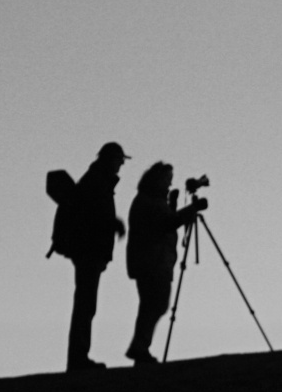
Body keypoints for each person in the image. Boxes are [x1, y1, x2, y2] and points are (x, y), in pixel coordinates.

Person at [125, 161, 207, 365]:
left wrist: (172, 206)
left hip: (153, 261)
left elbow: (164, 221)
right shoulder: (148, 201)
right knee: (156, 304)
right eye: (167, 180)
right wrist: (192, 209)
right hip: (152, 262)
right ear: (157, 180)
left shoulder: (149, 200)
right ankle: (139, 348)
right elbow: (165, 224)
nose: (169, 184)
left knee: (152, 305)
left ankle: (140, 348)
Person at [67, 141, 130, 372]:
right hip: (89, 252)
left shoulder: (95, 180)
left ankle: (78, 357)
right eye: (119, 160)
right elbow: (95, 215)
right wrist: (115, 224)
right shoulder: (96, 182)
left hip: (89, 252)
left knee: (85, 304)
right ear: (110, 159)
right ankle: (78, 359)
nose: (121, 165)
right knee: (85, 305)